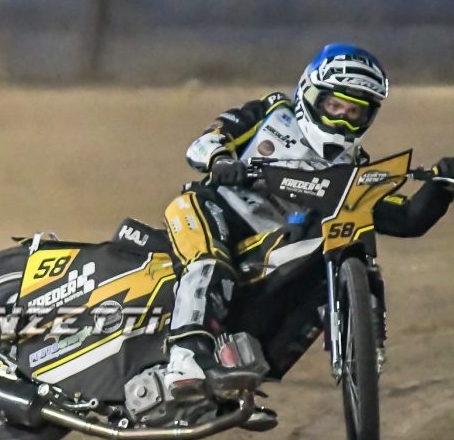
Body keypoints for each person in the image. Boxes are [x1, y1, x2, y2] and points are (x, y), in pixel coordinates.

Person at [161, 43, 454, 398]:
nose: (342, 120)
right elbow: (205, 141)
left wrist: (441, 187)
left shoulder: (352, 168)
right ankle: (185, 357)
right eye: (334, 106)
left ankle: (243, 370)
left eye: (354, 112)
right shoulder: (272, 113)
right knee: (209, 260)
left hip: (270, 243)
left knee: (317, 271)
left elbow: (405, 219)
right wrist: (221, 160)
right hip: (212, 208)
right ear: (311, 94)